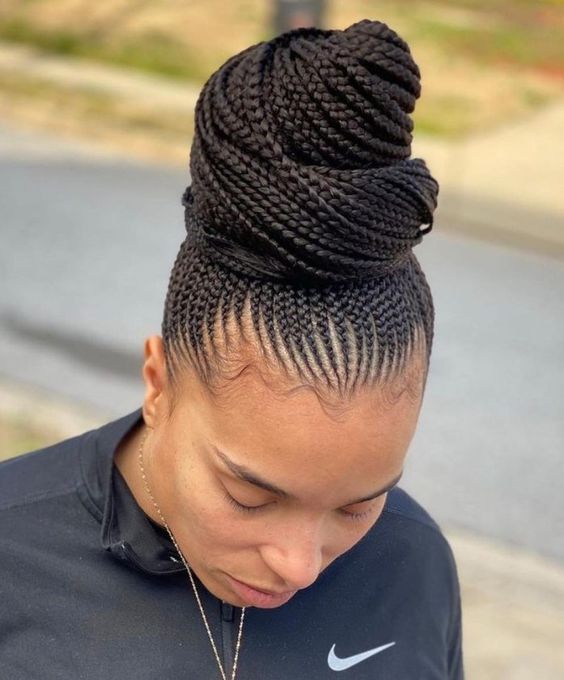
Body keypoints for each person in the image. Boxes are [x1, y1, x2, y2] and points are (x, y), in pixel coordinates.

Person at [0, 18, 464, 680]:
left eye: (358, 506)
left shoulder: (413, 567)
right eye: (249, 497)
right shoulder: (13, 554)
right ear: (159, 383)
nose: (298, 565)